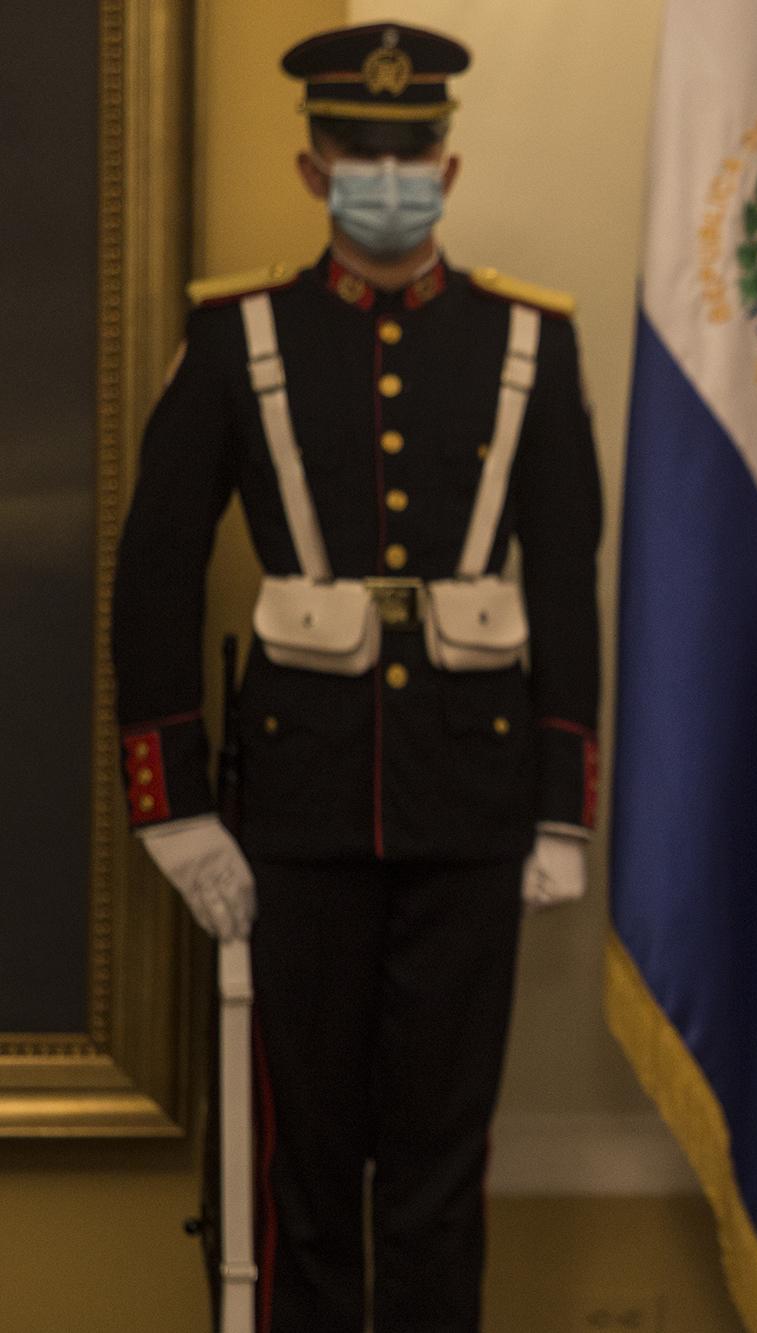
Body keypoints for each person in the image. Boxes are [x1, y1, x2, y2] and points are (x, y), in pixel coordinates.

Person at [111, 21, 601, 1331]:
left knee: (440, 1177)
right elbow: (154, 570)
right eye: (360, 151)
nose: (389, 170)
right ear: (311, 167)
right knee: (306, 1174)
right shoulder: (235, 338)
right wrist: (176, 804)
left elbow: (565, 580)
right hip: (297, 814)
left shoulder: (530, 346)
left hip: (472, 808)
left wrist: (562, 805)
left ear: (449, 161)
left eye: (412, 149)